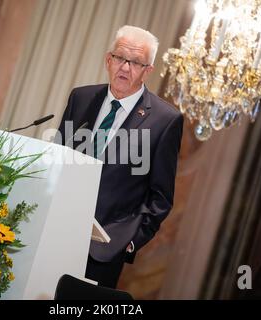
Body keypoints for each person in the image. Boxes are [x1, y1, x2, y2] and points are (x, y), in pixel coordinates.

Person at [56, 25, 183, 288]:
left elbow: (160, 198)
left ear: (148, 71)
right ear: (108, 60)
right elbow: (58, 158)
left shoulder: (165, 120)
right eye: (120, 58)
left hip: (104, 249)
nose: (125, 68)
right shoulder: (81, 98)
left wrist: (130, 241)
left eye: (136, 62)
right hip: (56, 230)